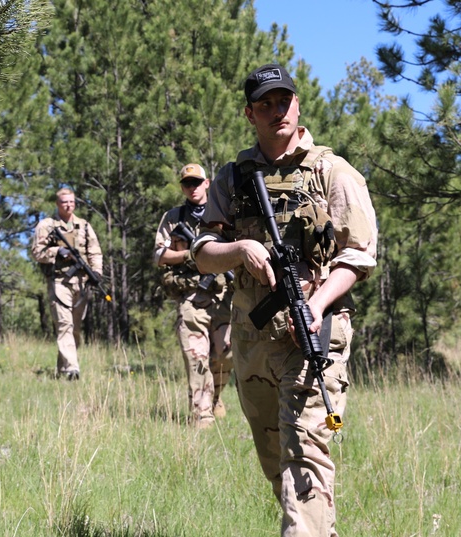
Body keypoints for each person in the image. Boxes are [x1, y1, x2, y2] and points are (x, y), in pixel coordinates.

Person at [190, 63, 378, 536]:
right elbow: (202, 254)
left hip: (314, 332)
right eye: (266, 104)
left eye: (284, 101)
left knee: (305, 452)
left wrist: (316, 303)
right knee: (277, 462)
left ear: (297, 104)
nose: (278, 111)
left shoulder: (333, 172)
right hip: (252, 338)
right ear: (249, 114)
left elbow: (359, 254)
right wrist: (240, 249)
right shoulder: (231, 178)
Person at [154, 163, 233, 429]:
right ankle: (202, 414)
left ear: (207, 183)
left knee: (226, 353)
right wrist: (189, 255)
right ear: (182, 188)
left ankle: (215, 397)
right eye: (187, 184)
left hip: (222, 293)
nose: (192, 188)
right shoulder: (173, 217)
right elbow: (159, 255)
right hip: (191, 295)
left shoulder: (223, 212)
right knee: (196, 356)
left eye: (197, 182)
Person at [31, 188, 103, 380]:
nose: (68, 205)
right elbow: (37, 252)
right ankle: (72, 369)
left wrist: (96, 272)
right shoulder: (47, 225)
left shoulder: (84, 226)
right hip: (59, 281)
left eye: (71, 201)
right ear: (57, 204)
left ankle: (63, 369)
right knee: (64, 324)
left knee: (75, 329)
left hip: (82, 282)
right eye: (64, 202)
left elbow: (95, 251)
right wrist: (57, 252)